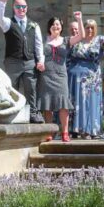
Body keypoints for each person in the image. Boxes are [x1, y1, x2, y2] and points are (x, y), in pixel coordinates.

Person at [0, 0, 44, 123]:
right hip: (13, 62)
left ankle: (33, 113)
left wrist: (41, 60)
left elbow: (38, 45)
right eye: (18, 7)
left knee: (31, 89)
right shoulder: (8, 23)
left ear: (27, 8)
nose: (21, 9)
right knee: (12, 88)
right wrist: (2, 3)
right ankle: (12, 113)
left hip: (29, 62)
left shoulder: (34, 25)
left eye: (24, 7)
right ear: (14, 8)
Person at [37, 13, 84, 142]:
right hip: (46, 75)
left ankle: (64, 132)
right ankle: (49, 132)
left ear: (61, 27)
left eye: (57, 24)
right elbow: (37, 54)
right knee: (48, 105)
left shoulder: (66, 40)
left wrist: (79, 20)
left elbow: (81, 36)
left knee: (63, 104)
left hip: (61, 76)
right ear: (49, 27)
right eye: (53, 24)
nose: (55, 26)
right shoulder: (43, 40)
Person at [67, 19, 104, 139]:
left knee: (91, 103)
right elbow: (67, 56)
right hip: (75, 77)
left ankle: (90, 130)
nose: (90, 30)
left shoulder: (99, 40)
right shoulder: (77, 40)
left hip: (93, 78)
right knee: (77, 103)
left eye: (92, 27)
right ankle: (76, 129)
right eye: (87, 27)